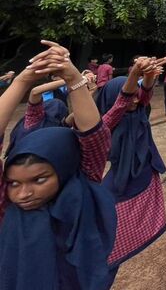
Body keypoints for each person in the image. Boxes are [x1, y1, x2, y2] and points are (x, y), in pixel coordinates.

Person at [0, 40, 117, 289]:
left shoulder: (81, 191)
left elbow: (94, 135)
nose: (23, 193)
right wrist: (22, 80)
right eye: (13, 183)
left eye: (39, 179)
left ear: (63, 173)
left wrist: (74, 77)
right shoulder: (6, 206)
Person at [95, 57, 166, 276]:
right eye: (131, 95)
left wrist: (148, 75)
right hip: (121, 179)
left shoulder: (138, 110)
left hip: (142, 172)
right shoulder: (107, 122)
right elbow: (122, 102)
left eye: (137, 95)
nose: (135, 100)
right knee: (109, 236)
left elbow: (143, 93)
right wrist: (135, 73)